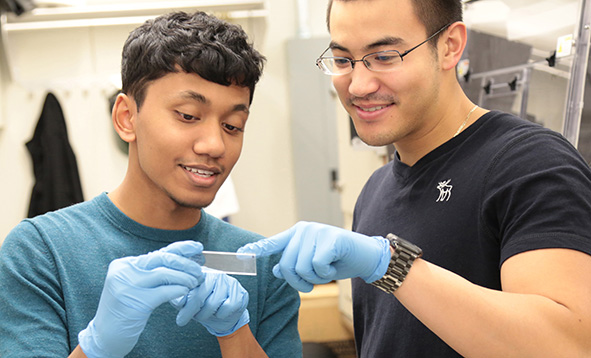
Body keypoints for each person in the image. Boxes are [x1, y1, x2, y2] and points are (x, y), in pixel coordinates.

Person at [239, 0, 591, 357]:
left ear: (449, 46)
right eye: (344, 60)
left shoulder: (528, 163)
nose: (358, 85)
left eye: (385, 56)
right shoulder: (375, 190)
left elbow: (565, 345)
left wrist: (392, 265)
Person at [0, 11, 301, 358]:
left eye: (232, 125)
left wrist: (236, 336)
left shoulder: (262, 266)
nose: (215, 145)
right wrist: (97, 347)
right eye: (188, 116)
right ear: (127, 118)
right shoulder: (40, 252)